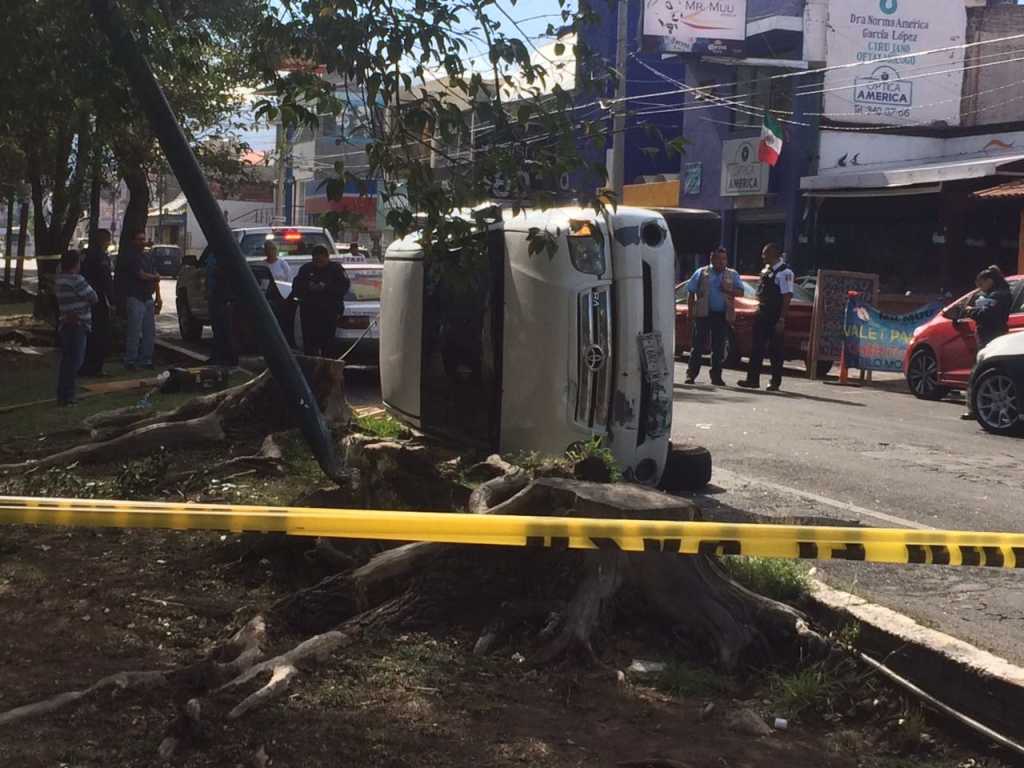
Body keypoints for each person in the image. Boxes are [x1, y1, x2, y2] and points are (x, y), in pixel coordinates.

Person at [738, 243, 793, 392]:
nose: (763, 257)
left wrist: (781, 318)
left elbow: (787, 296)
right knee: (756, 347)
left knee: (775, 350)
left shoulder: (785, 272)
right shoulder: (766, 271)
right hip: (762, 312)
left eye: (765, 254)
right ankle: (752, 380)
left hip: (775, 315)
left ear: (774, 254)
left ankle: (775, 382)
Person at [684, 246, 742, 386]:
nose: (722, 262)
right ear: (712, 259)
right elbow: (691, 292)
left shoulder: (732, 274)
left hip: (721, 315)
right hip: (703, 314)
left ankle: (716, 377)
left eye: (724, 259)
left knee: (718, 347)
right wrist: (690, 311)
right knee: (698, 346)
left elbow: (740, 292)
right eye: (718, 259)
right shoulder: (702, 272)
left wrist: (729, 290)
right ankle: (691, 375)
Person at [961, 265, 1013, 420]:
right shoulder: (998, 294)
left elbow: (986, 315)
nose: (980, 289)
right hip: (992, 336)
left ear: (989, 281)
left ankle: (974, 409)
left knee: (979, 373)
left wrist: (970, 310)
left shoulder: (998, 296)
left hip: (990, 337)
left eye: (982, 284)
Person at [54, 250, 98, 405]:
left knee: (67, 360)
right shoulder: (77, 280)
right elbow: (93, 297)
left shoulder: (59, 280)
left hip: (65, 323)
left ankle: (62, 394)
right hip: (78, 324)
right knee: (75, 361)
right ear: (75, 264)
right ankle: (69, 395)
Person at [293, 244, 350, 357]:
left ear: (327, 257)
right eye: (316, 260)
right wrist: (309, 287)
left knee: (328, 347)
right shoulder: (306, 269)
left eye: (321, 260)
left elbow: (343, 288)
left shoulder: (336, 269)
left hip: (329, 313)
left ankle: (326, 370)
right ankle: (311, 370)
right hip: (310, 314)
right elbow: (296, 288)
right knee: (309, 346)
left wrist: (325, 287)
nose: (318, 263)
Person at [121, 230, 161, 369]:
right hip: (135, 297)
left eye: (143, 239)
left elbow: (156, 276)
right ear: (133, 241)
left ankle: (146, 360)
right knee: (134, 331)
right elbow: (141, 275)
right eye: (139, 239)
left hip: (148, 297)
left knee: (149, 331)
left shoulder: (147, 256)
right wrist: (154, 278)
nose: (142, 242)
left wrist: (159, 297)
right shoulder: (131, 256)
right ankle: (130, 360)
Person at [78, 229, 113, 377]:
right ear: (104, 241)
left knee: (87, 334)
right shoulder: (100, 256)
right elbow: (106, 280)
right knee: (100, 334)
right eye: (108, 240)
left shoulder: (85, 254)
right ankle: (95, 368)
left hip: (83, 298)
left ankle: (84, 365)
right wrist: (113, 300)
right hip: (97, 299)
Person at [206, 247, 238, 366]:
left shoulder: (228, 258)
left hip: (224, 298)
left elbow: (228, 278)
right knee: (217, 329)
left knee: (226, 330)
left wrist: (229, 299)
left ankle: (231, 359)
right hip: (215, 296)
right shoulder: (212, 255)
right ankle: (217, 357)